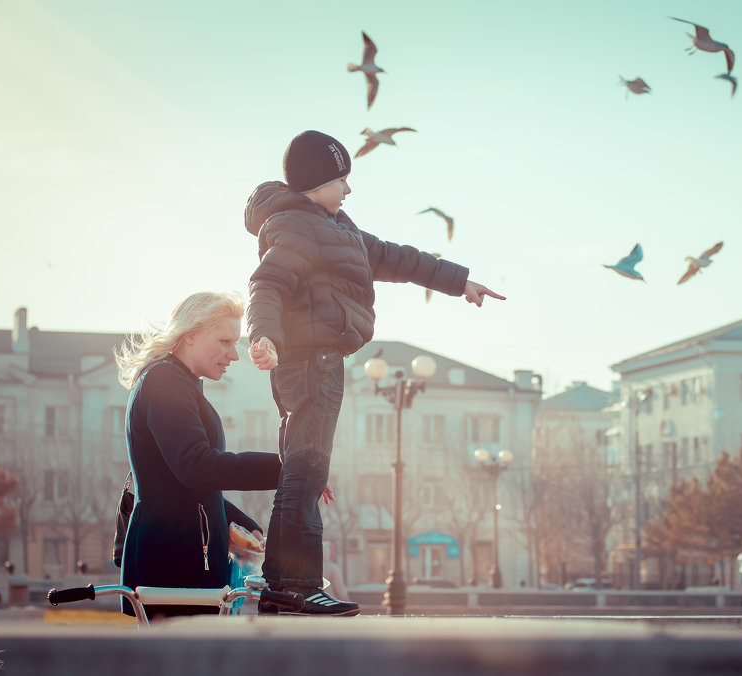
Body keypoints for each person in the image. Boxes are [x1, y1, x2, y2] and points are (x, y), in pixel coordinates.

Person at [245, 130, 504, 615]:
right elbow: (267, 284)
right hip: (311, 362)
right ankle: (294, 586)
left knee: (300, 474)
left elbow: (395, 257)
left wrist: (459, 280)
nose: (348, 189)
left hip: (315, 361)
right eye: (342, 179)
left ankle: (286, 586)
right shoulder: (299, 228)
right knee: (304, 475)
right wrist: (264, 336)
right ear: (316, 184)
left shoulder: (335, 227)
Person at [114, 292, 283, 619]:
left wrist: (239, 523)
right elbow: (196, 466)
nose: (234, 354)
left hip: (181, 557)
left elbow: (183, 485)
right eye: (225, 341)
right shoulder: (166, 381)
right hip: (173, 561)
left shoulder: (180, 382)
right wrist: (286, 467)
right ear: (190, 335)